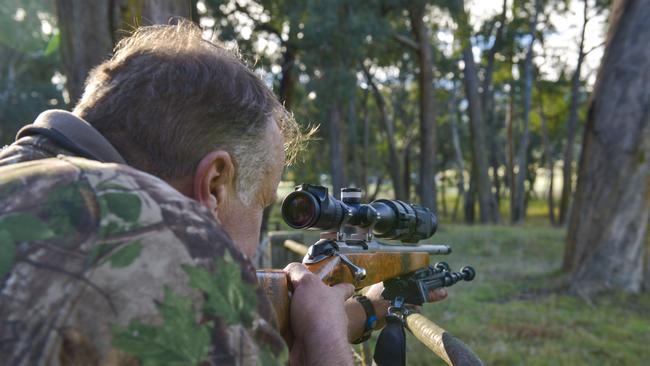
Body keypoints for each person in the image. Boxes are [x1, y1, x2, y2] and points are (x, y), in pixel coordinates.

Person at [0, 21, 445, 365]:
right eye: (261, 205)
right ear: (214, 185)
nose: (256, 235)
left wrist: (353, 315)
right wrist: (327, 340)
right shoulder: (165, 240)